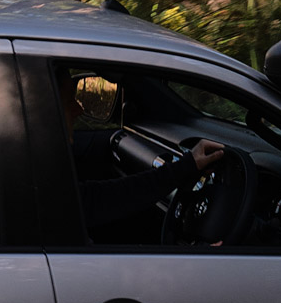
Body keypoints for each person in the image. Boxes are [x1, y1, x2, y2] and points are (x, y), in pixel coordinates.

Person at [60, 70, 224, 233]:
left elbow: (102, 199)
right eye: (68, 102)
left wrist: (187, 165)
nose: (79, 110)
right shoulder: (44, 201)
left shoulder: (48, 191)